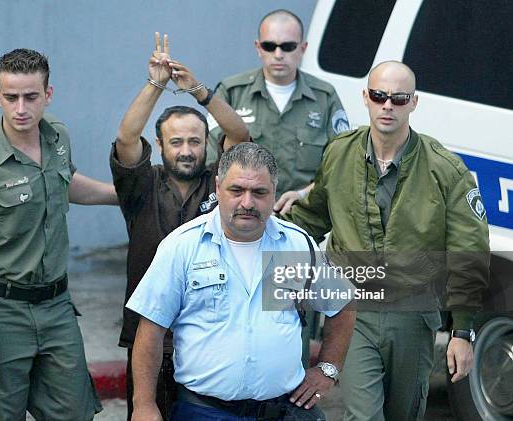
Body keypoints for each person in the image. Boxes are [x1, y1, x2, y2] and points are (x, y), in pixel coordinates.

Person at [285, 61, 490, 420]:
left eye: (398, 98)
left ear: (414, 103)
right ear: (365, 97)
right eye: (379, 96)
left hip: (413, 316)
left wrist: (463, 332)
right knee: (362, 415)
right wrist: (263, 235)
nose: (387, 106)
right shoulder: (339, 153)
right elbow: (312, 218)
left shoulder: (445, 169)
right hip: (352, 313)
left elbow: (468, 251)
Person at [0, 48, 118, 421]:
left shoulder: (58, 137)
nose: (21, 108)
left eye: (31, 97)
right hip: (0, 312)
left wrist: (123, 197)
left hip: (56, 307)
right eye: (11, 97)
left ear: (48, 95)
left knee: (76, 413)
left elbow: (63, 184)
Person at [127, 142, 356, 421]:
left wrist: (327, 369)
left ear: (274, 194)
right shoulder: (182, 246)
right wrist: (144, 405)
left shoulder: (297, 245)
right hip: (203, 412)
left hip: (283, 411)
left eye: (259, 192)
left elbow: (343, 306)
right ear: (218, 188)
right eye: (237, 190)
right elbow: (150, 331)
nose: (247, 203)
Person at [110, 33, 249, 420]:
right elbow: (125, 137)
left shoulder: (221, 184)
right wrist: (156, 83)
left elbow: (239, 135)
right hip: (149, 338)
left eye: (194, 141)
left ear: (208, 144)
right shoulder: (141, 184)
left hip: (211, 335)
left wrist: (199, 92)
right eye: (176, 142)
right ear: (159, 144)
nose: (186, 150)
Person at [207, 9, 350, 215]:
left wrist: (304, 194)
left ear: (303, 48)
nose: (278, 54)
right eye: (269, 46)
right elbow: (211, 159)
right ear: (258, 48)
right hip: (242, 213)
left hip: (300, 214)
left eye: (288, 46)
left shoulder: (325, 97)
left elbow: (341, 162)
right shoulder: (231, 92)